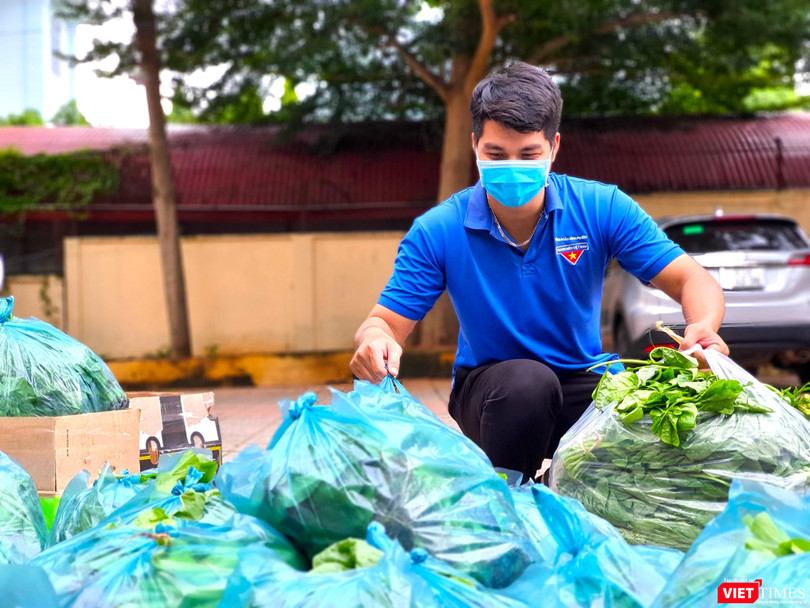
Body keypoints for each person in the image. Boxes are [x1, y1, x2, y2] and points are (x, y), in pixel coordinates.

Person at [350, 61, 728, 482]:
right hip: (494, 390)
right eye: (496, 154)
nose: (512, 166)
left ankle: (554, 489)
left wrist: (703, 328)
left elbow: (692, 279)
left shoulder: (601, 208)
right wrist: (374, 342)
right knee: (529, 383)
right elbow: (383, 324)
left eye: (528, 154)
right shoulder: (439, 229)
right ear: (475, 144)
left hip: (586, 379)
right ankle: (509, 500)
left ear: (554, 146)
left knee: (654, 416)